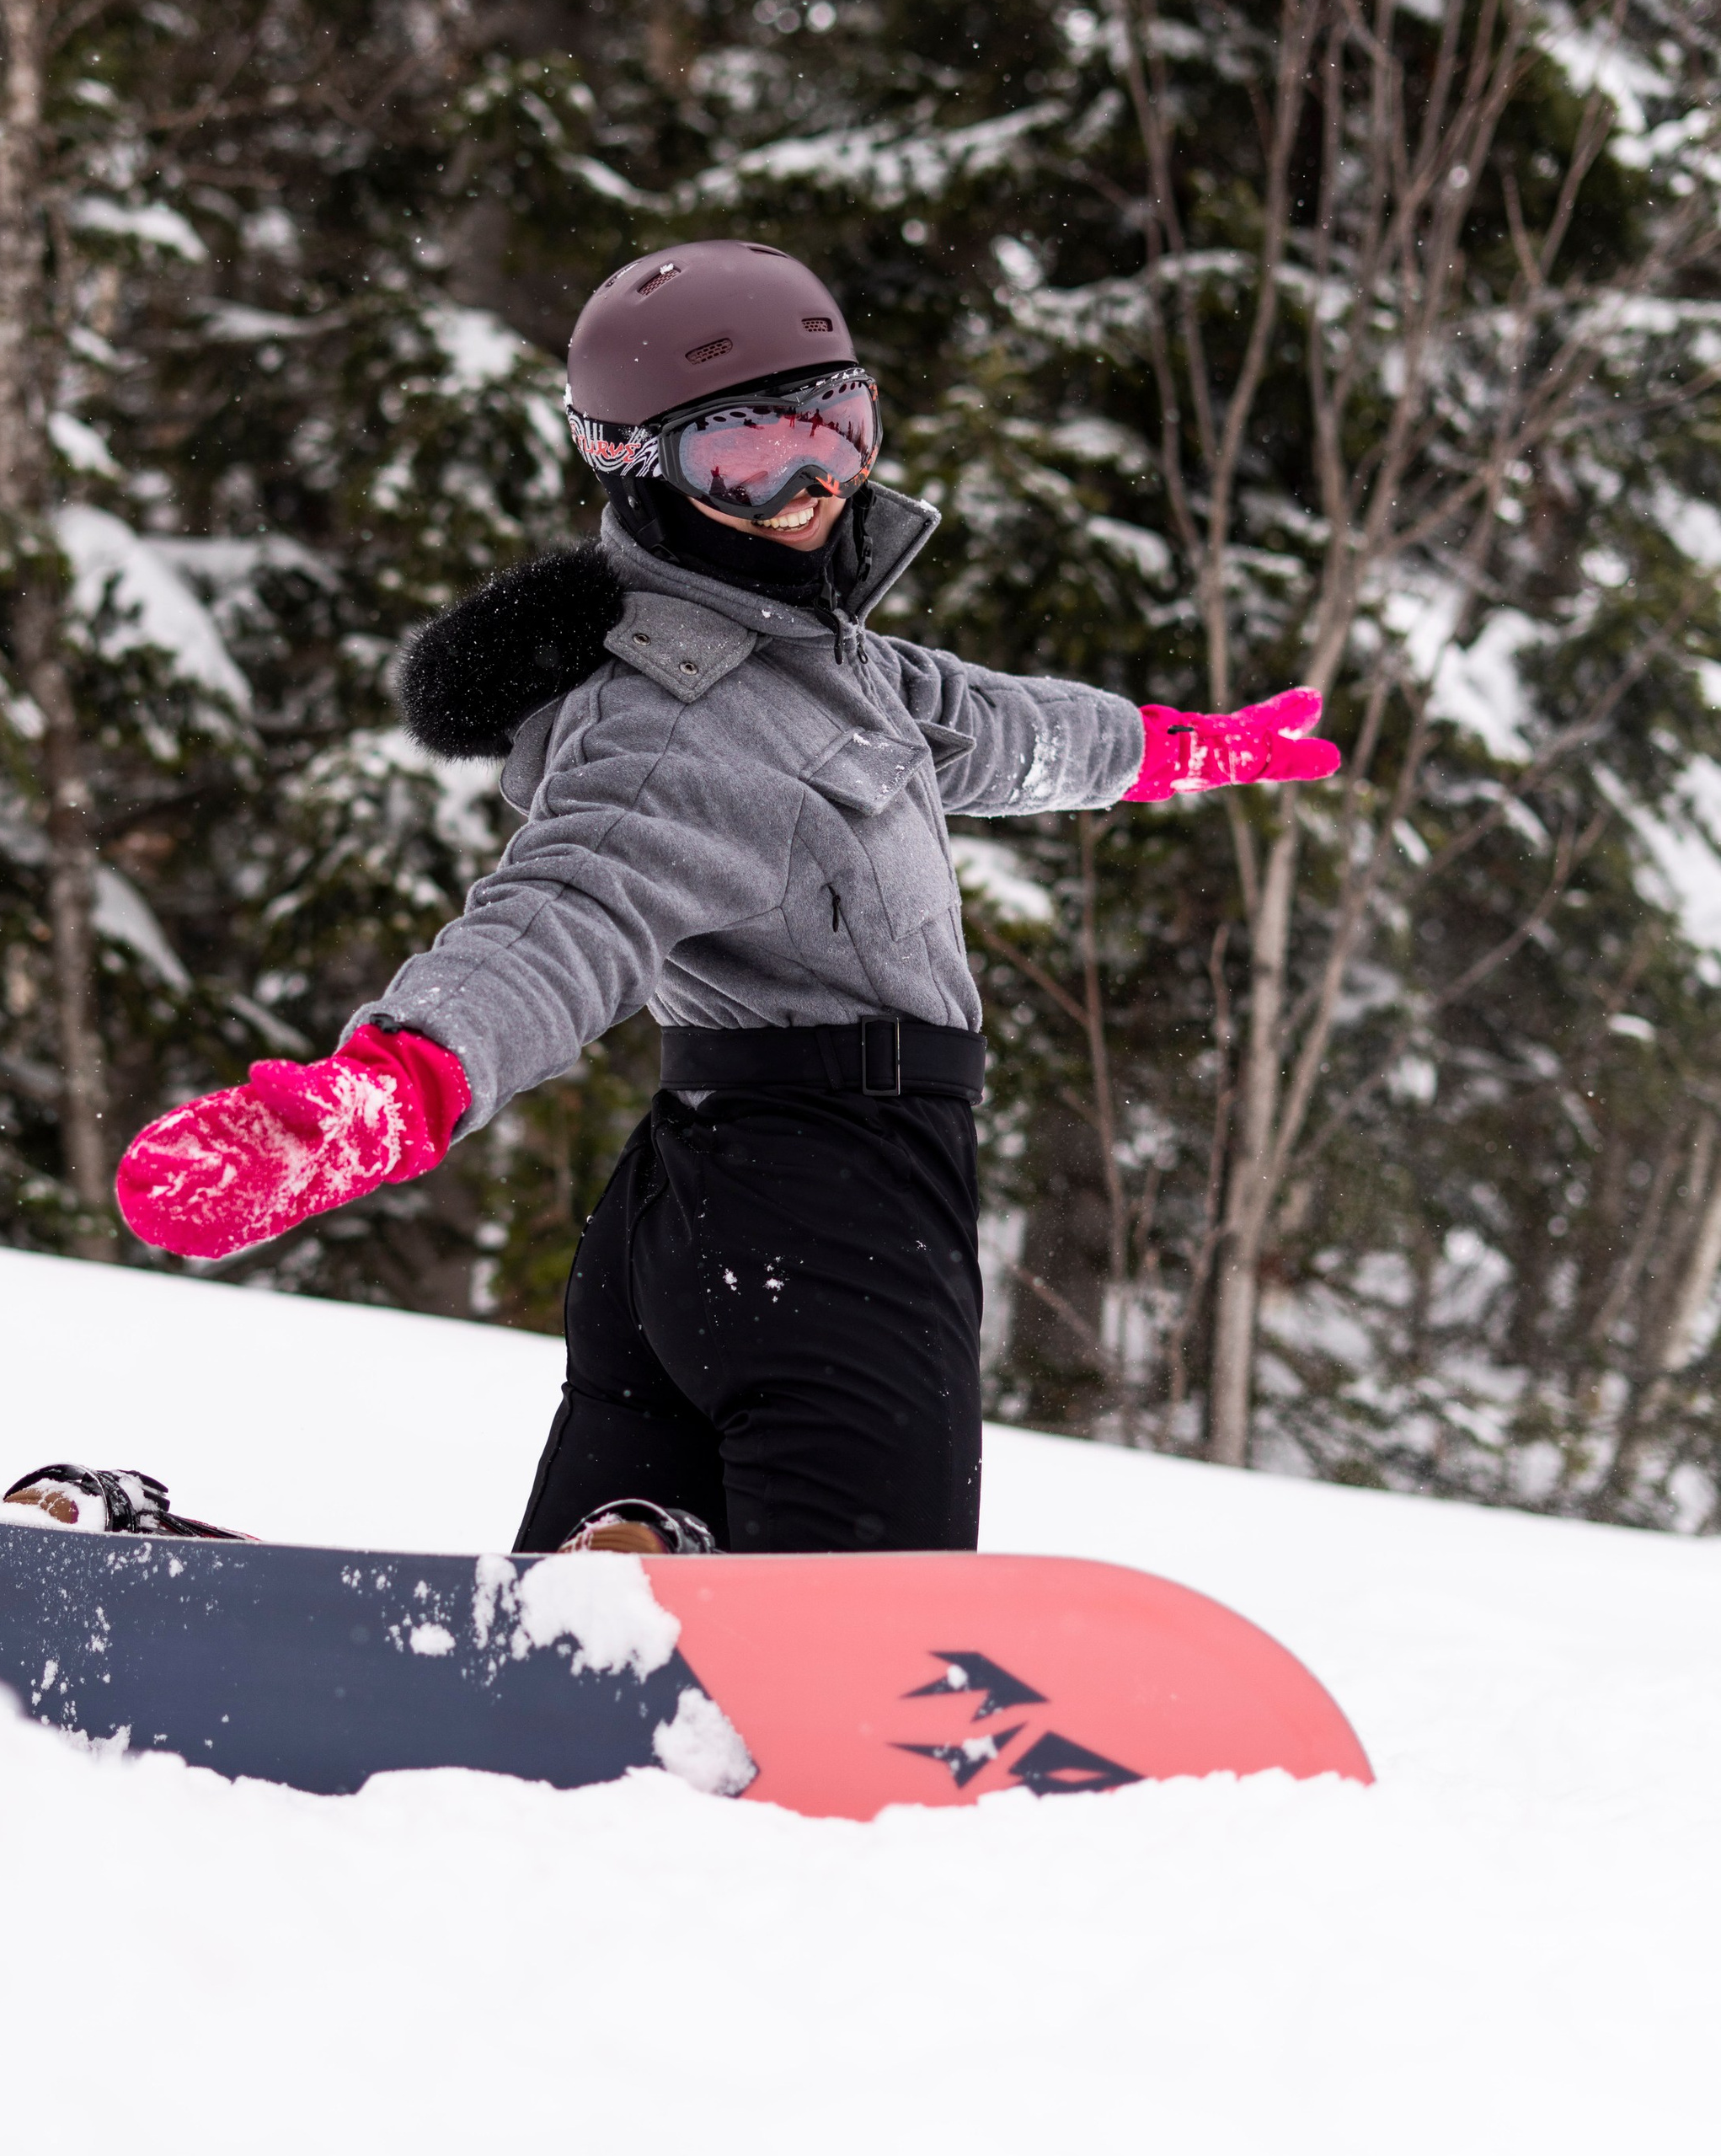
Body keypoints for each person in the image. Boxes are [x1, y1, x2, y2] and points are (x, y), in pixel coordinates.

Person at [116, 240, 1337, 1558]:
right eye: (746, 459)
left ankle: (624, 1563)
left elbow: (986, 725)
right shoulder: (678, 720)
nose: (813, 487)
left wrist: (1181, 750)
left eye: (840, 426)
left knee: (578, 1675)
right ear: (630, 464)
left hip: (703, 1207)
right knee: (865, 1659)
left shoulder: (812, 660)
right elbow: (560, 917)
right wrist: (392, 1091)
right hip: (829, 1224)